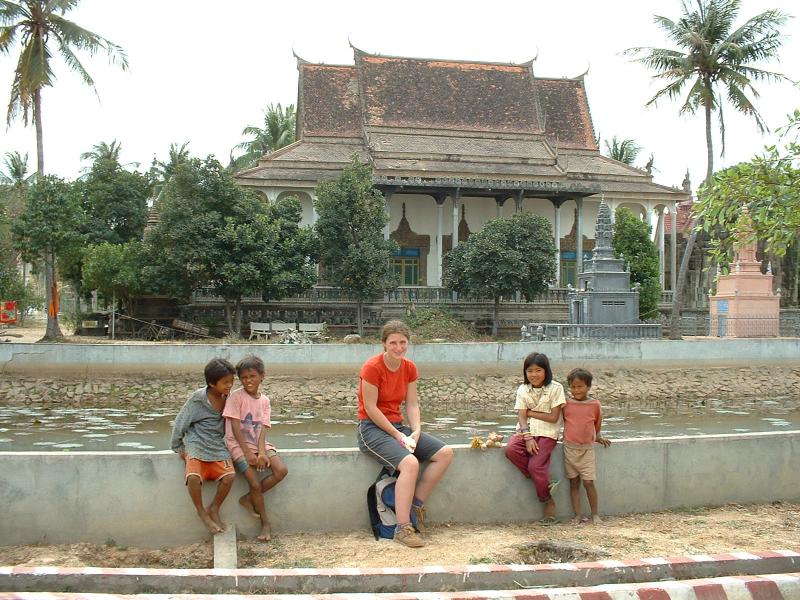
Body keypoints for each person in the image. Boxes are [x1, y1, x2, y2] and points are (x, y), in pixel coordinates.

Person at [356, 320, 454, 548]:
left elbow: (411, 404)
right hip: (371, 428)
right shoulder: (372, 367)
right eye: (393, 343)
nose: (398, 347)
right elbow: (371, 408)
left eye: (403, 342)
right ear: (384, 344)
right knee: (410, 463)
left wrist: (416, 430)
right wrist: (398, 436)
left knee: (445, 453)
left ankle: (415, 507)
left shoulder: (409, 367)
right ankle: (403, 528)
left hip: (398, 426)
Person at [223, 355, 288, 541]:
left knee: (281, 470)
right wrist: (248, 453)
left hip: (258, 443)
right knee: (254, 484)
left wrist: (260, 452)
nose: (248, 381)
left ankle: (248, 499)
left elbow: (263, 427)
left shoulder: (265, 401)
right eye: (244, 377)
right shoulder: (236, 397)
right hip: (238, 445)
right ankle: (266, 524)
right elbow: (235, 428)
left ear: (262, 376)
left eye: (252, 376)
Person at [170, 357, 237, 535]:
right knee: (193, 477)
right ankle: (201, 511)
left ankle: (214, 507)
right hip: (196, 442)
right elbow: (180, 423)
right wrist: (178, 447)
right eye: (225, 382)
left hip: (216, 444)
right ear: (211, 383)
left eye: (231, 381)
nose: (229, 385)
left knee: (229, 476)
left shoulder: (228, 397)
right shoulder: (198, 400)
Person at [504, 351, 566, 523]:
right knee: (511, 450)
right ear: (525, 372)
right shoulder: (522, 390)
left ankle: (547, 501)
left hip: (547, 433)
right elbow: (521, 417)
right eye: (530, 371)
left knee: (535, 466)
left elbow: (553, 417)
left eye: (538, 370)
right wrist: (527, 436)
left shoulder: (556, 388)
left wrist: (530, 411)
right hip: (526, 431)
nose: (534, 375)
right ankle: (545, 481)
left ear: (546, 371)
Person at [563, 368, 610, 525]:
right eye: (573, 387)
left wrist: (597, 436)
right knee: (574, 482)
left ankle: (595, 514)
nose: (576, 390)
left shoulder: (594, 404)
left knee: (589, 482)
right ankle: (577, 515)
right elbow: (561, 421)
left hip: (587, 450)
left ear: (588, 386)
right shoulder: (566, 404)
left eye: (580, 386)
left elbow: (597, 423)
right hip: (569, 448)